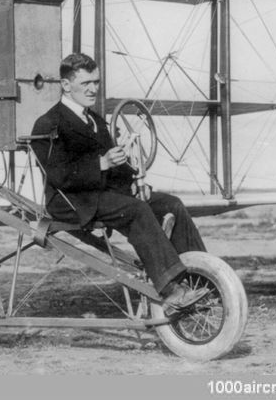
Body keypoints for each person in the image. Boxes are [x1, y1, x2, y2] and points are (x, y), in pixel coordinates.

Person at [30, 53, 207, 313]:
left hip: (101, 195)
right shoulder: (48, 123)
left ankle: (200, 275)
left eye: (97, 82)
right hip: (71, 201)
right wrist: (100, 164)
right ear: (66, 85)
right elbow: (59, 176)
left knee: (171, 204)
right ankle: (170, 291)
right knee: (136, 211)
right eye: (86, 83)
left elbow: (115, 164)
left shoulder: (95, 120)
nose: (93, 89)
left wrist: (134, 182)